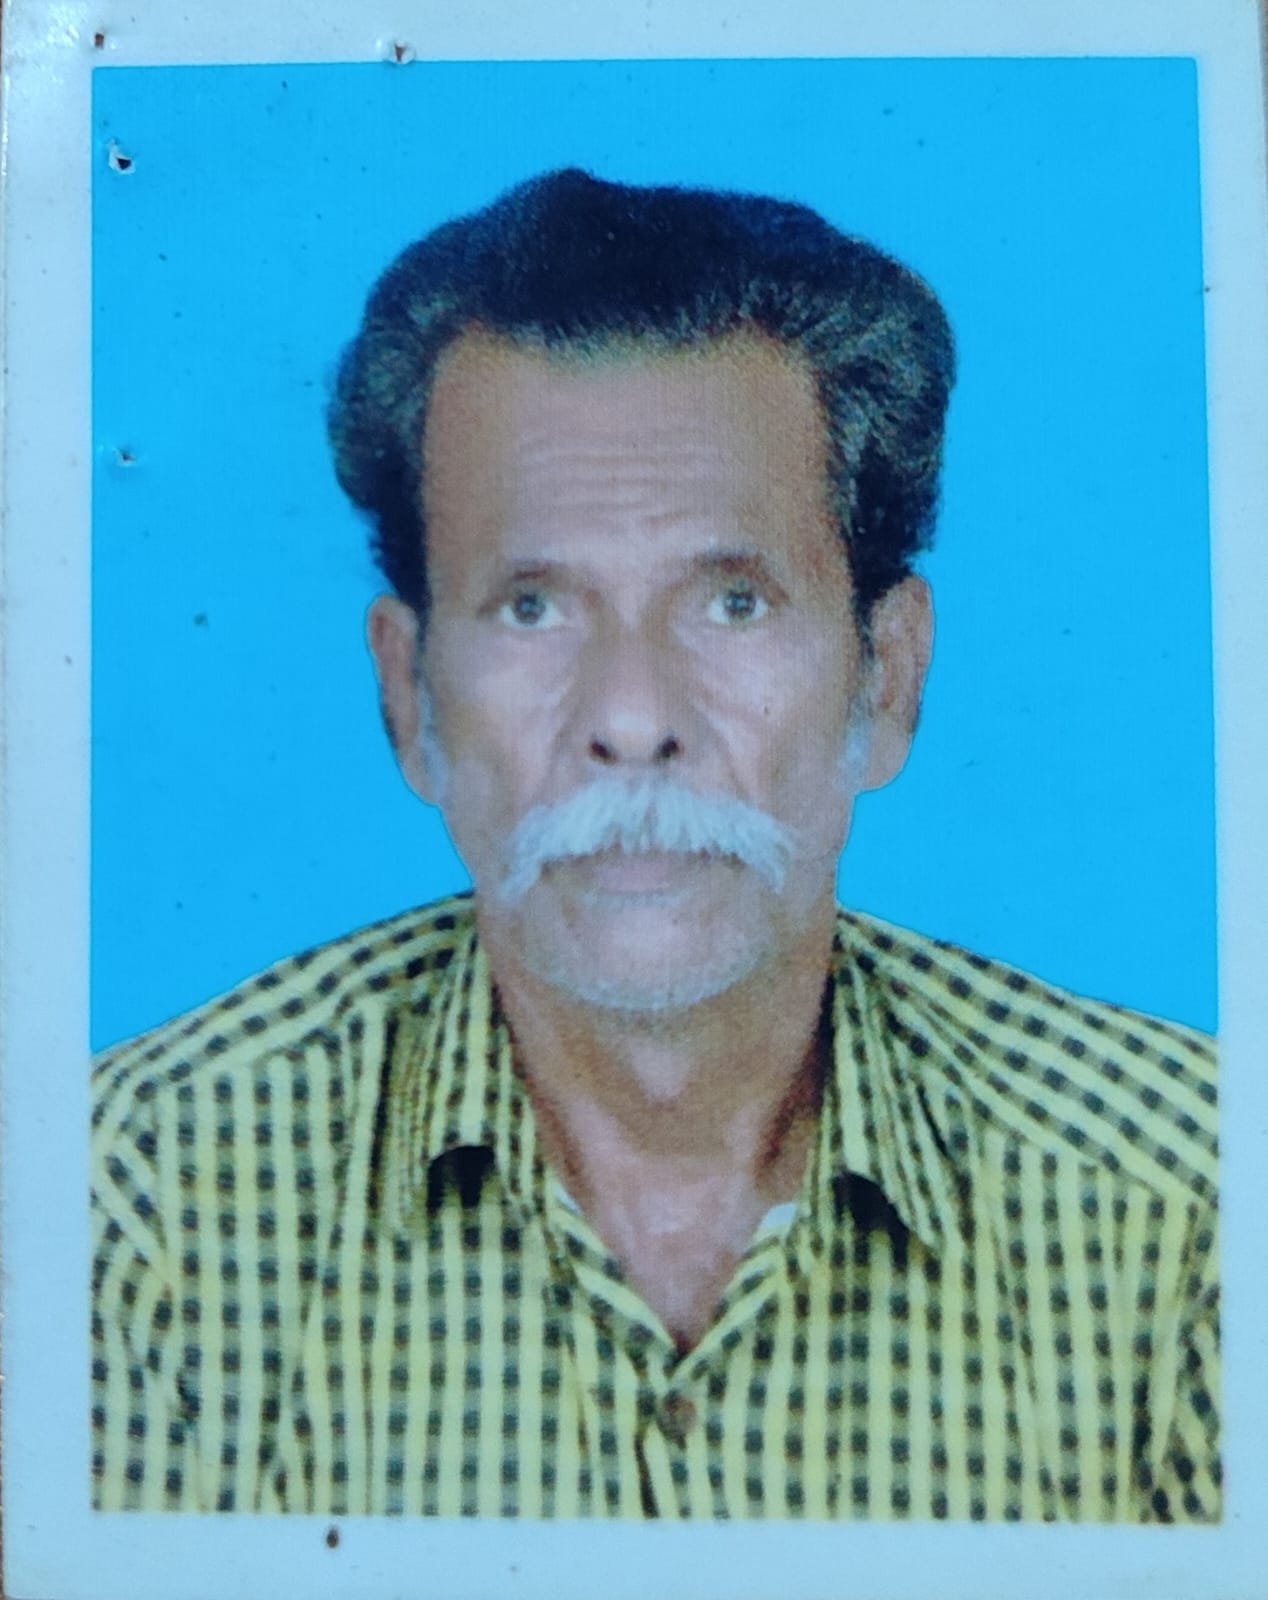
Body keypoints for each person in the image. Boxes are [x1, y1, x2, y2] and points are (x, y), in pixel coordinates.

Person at [91, 169, 1218, 1521]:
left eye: (733, 601)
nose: (631, 719)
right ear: (410, 701)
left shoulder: (1196, 1209)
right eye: (531, 607)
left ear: (889, 678)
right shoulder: (135, 1211)